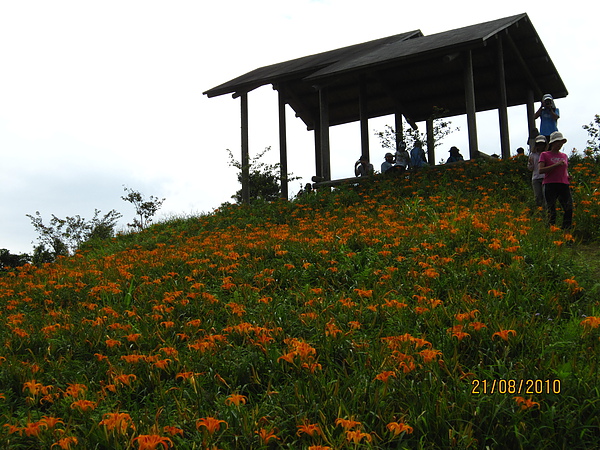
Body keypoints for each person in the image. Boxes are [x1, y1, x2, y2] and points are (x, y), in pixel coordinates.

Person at [538, 131, 572, 229]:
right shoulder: (545, 155)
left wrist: (568, 176)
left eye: (561, 142)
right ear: (552, 143)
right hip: (550, 184)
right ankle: (551, 231)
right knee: (551, 209)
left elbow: (565, 170)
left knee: (568, 208)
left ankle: (566, 231)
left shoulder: (564, 156)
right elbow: (541, 170)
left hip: (563, 184)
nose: (559, 144)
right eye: (557, 142)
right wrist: (556, 165)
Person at [527, 135, 547, 209]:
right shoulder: (532, 155)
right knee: (538, 197)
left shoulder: (547, 154)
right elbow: (530, 168)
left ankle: (546, 212)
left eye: (542, 144)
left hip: (545, 177)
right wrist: (531, 163)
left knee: (546, 196)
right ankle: (540, 213)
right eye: (539, 144)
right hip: (536, 177)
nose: (540, 146)